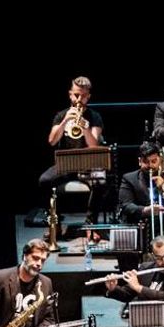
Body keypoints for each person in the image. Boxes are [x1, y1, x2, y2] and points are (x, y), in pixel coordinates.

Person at [41, 76, 109, 221]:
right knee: (44, 181)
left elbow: (94, 146)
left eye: (83, 96)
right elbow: (52, 141)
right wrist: (65, 120)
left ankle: (90, 223)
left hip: (87, 165)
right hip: (65, 165)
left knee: (101, 183)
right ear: (70, 94)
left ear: (88, 97)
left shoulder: (94, 116)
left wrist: (85, 128)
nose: (79, 99)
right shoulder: (61, 115)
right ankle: (55, 222)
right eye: (76, 95)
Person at [118, 142, 164, 238]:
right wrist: (144, 210)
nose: (150, 165)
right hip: (140, 227)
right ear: (139, 161)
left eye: (154, 161)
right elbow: (126, 205)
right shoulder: (129, 178)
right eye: (146, 162)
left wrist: (163, 187)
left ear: (160, 160)